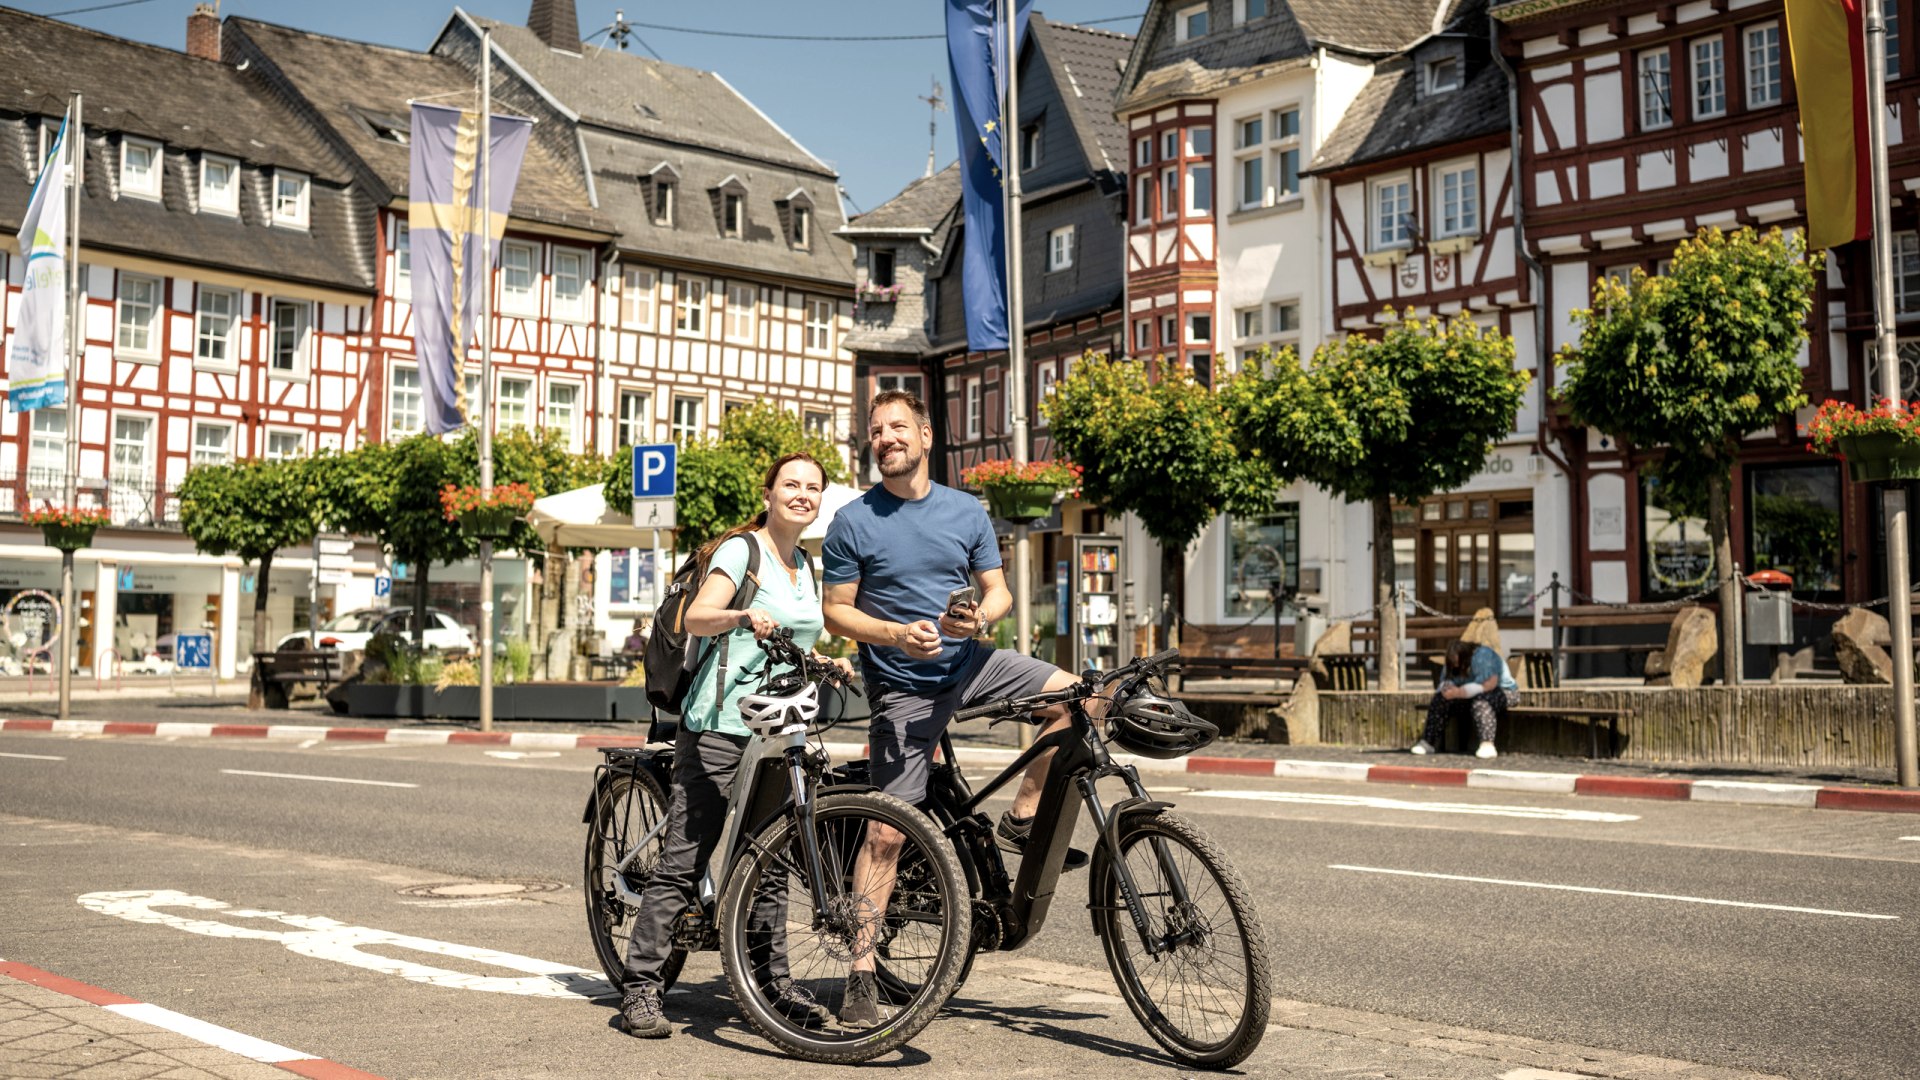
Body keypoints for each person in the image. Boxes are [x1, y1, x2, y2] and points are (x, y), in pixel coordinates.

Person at [822, 389, 1096, 1026]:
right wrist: (892, 633)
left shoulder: (966, 510)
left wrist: (977, 618)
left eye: (897, 427)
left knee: (1085, 698)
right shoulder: (852, 521)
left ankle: (1023, 819)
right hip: (902, 687)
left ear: (923, 436)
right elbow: (837, 611)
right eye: (875, 429)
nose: (885, 437)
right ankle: (860, 972)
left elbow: (997, 593)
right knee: (889, 832)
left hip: (970, 664)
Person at [618, 453, 851, 1039]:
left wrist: (824, 661)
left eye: (812, 488)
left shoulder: (806, 563)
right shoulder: (741, 551)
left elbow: (791, 640)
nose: (802, 495)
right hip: (720, 724)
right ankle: (642, 988)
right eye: (791, 485)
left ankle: (770, 984)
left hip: (779, 727)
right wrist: (744, 614)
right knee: (685, 857)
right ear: (769, 494)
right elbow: (698, 617)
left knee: (768, 862)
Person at [1411, 639, 1518, 760]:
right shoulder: (1451, 662)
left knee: (1481, 702)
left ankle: (1487, 743)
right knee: (1440, 700)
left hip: (1503, 692)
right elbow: (1445, 681)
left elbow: (1489, 684)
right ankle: (1428, 742)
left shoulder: (1482, 655)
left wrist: (1459, 692)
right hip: (1468, 695)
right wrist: (1447, 690)